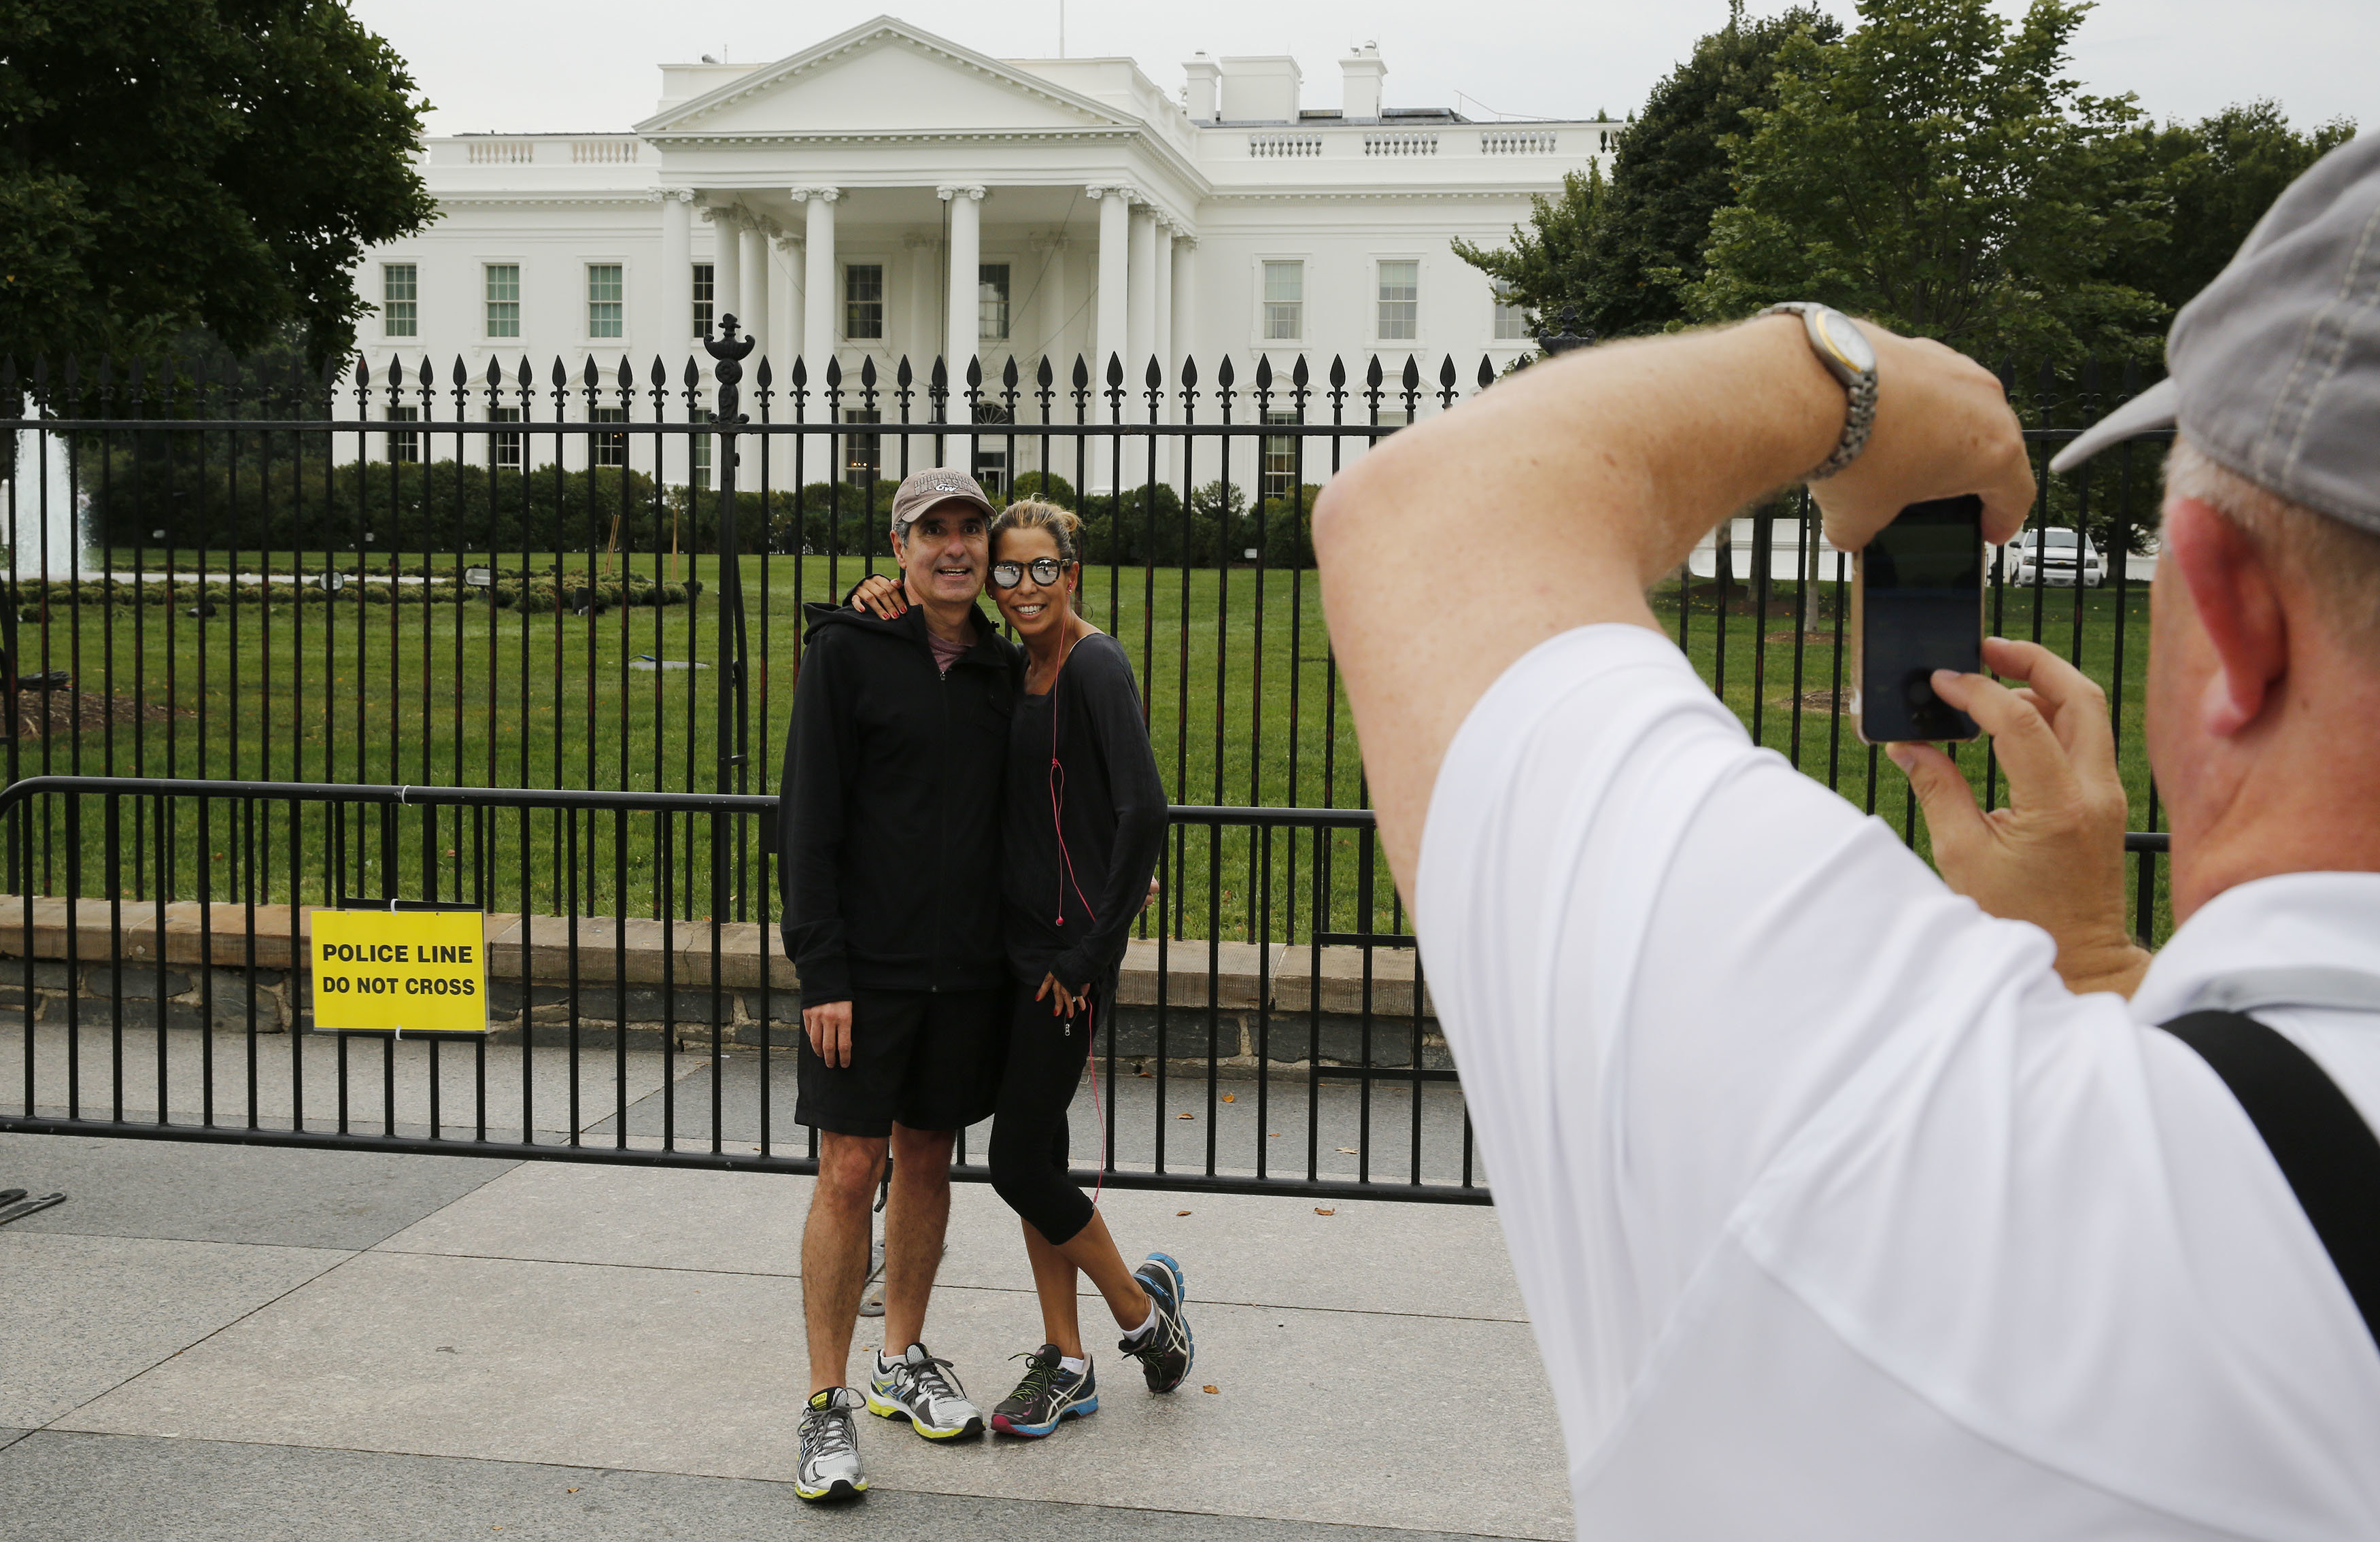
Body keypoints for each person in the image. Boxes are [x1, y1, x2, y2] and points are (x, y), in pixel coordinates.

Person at [1310, 135, 2380, 1537]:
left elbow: (1430, 514)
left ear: (2229, 612)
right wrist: (2091, 965)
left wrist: (1845, 378)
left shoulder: (1928, 1172)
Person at [847, 498, 1195, 1437]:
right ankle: (1068, 1357)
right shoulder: (1013, 665)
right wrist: (869, 593)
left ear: (1072, 573)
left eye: (1045, 569)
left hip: (1062, 962)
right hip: (1003, 948)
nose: (1026, 587)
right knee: (1037, 1156)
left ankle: (1140, 1317)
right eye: (1010, 571)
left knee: (1012, 1163)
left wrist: (1092, 949)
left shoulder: (1093, 663)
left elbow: (1144, 812)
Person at [779, 466, 1019, 1503]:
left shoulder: (1003, 671)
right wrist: (821, 969)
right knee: (847, 1168)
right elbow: (808, 821)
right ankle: (826, 1403)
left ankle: (902, 1360)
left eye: (972, 531)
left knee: (927, 1158)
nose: (955, 549)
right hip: (862, 975)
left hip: (964, 972)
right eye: (936, 534)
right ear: (900, 549)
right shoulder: (845, 653)